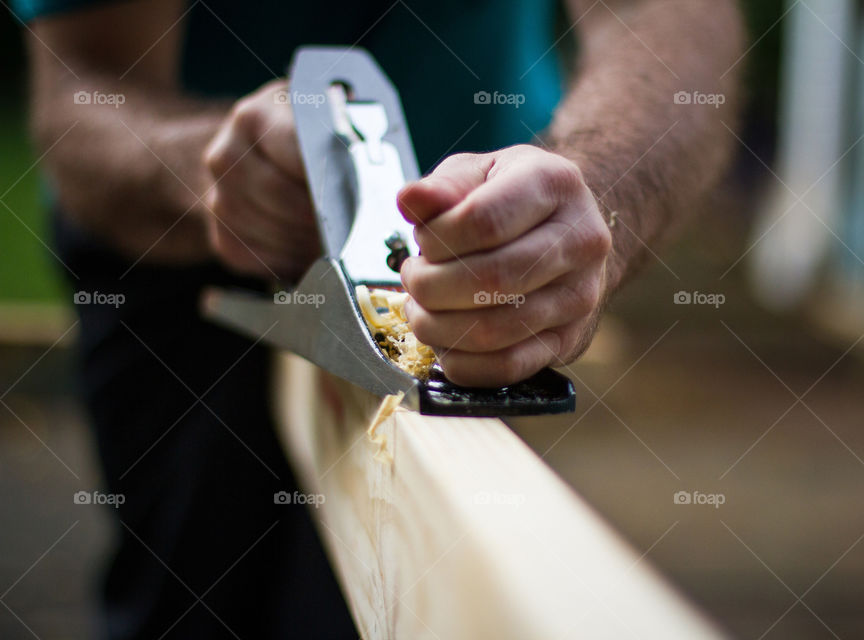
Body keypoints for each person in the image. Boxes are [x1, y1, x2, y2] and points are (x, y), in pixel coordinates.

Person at [16, 0, 744, 636]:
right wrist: (205, 166)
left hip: (490, 257)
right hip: (178, 240)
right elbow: (79, 87)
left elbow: (667, 16)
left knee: (433, 575)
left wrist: (592, 192)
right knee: (190, 593)